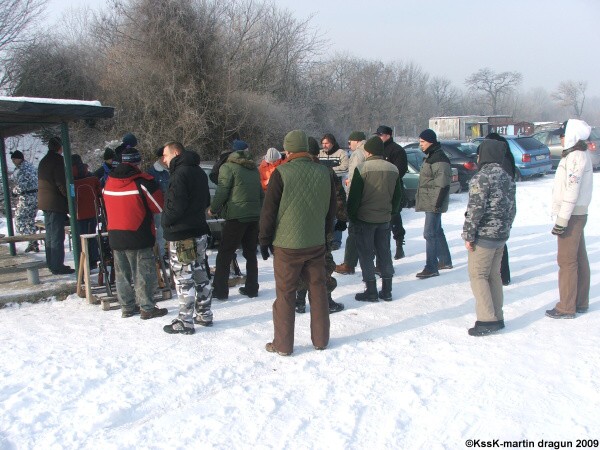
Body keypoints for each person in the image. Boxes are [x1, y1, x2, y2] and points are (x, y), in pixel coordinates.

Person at [259, 130, 336, 356]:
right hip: (316, 243)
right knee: (318, 290)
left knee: (285, 294)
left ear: (288, 150)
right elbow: (331, 210)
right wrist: (325, 234)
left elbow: (269, 211)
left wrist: (264, 239)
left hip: (286, 246)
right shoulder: (325, 173)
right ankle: (321, 340)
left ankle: (283, 345)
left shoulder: (281, 173)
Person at [102, 147, 168, 320]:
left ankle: (127, 307)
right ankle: (147, 307)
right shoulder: (143, 181)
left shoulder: (109, 182)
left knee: (122, 274)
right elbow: (159, 207)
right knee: (143, 272)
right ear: (137, 162)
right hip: (138, 234)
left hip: (115, 234)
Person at [462, 139, 516, 336]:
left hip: (484, 236)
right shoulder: (507, 177)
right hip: (501, 236)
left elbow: (475, 210)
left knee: (478, 276)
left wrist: (468, 235)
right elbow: (513, 208)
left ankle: (486, 319)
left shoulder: (482, 178)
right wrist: (506, 229)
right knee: (494, 276)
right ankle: (497, 316)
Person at [160, 142, 214, 334]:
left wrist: (164, 220)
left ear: (176, 153)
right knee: (200, 272)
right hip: (199, 231)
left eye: (165, 155)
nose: (163, 160)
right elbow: (207, 200)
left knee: (183, 278)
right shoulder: (198, 171)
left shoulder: (180, 174)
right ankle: (205, 313)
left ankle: (185, 321)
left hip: (182, 234)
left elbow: (176, 206)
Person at [546, 119, 593, 319]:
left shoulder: (576, 157)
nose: (561, 138)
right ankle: (580, 301)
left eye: (563, 134)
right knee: (579, 258)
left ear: (572, 135)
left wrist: (562, 220)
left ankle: (566, 306)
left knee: (566, 261)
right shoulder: (577, 155)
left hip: (572, 215)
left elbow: (571, 190)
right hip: (575, 213)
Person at [347, 136, 402, 301]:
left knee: (366, 254)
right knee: (384, 252)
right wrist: (391, 213)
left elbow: (355, 197)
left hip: (365, 218)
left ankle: (371, 290)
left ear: (368, 151)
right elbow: (398, 196)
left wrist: (352, 215)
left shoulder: (362, 168)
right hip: (384, 218)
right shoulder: (393, 169)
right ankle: (387, 290)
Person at [295, 136, 346, 314]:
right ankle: (326, 301)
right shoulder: (327, 171)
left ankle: (299, 301)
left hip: (298, 226)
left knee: (301, 261)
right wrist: (341, 219)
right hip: (322, 225)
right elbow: (338, 197)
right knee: (324, 263)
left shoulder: (292, 171)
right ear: (317, 152)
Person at [208, 140, 263, 300]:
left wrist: (213, 209)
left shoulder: (227, 167)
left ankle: (220, 291)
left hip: (236, 216)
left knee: (225, 253)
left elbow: (222, 191)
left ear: (232, 152)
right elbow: (261, 194)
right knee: (251, 253)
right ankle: (252, 288)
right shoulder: (253, 168)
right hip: (253, 216)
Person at [414, 128, 453, 278]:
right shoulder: (431, 156)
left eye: (422, 142)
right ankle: (445, 260)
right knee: (437, 231)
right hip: (431, 200)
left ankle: (431, 267)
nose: (420, 145)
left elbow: (442, 184)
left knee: (429, 233)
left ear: (431, 141)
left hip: (434, 202)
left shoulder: (438, 158)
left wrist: (436, 204)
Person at [37, 137, 74, 274]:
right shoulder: (57, 160)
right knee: (57, 235)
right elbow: (61, 182)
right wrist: (69, 199)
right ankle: (57, 265)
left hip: (45, 202)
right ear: (60, 147)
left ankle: (51, 262)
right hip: (55, 202)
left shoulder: (44, 160)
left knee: (50, 235)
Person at [485, 132, 515, 286]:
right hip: (503, 206)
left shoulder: (503, 162)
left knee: (499, 243)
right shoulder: (505, 159)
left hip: (500, 207)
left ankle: (502, 275)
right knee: (499, 242)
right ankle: (502, 274)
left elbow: (504, 186)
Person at [335, 131, 367, 275]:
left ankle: (349, 263)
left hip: (357, 197)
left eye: (350, 142)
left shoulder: (357, 154)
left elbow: (355, 176)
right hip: (368, 198)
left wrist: (349, 192)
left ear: (356, 141)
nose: (349, 145)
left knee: (353, 231)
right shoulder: (369, 151)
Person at [376, 125, 408, 260]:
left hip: (394, 189)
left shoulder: (397, 150)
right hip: (378, 190)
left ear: (388, 135)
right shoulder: (377, 150)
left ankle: (399, 243)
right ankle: (383, 253)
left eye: (381, 135)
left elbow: (400, 170)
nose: (378, 137)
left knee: (394, 217)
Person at [319, 133, 348, 250]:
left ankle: (336, 240)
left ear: (332, 143)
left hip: (337, 188)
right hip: (322, 188)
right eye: (323, 143)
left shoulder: (341, 153)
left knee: (337, 212)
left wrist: (328, 170)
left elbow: (345, 168)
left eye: (327, 143)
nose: (324, 145)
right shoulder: (319, 154)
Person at [72, 154, 101, 270]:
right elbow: (99, 191)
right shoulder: (91, 177)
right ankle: (94, 259)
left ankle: (82, 260)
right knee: (92, 235)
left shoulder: (71, 179)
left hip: (79, 213)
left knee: (80, 238)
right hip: (92, 210)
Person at [10, 150, 38, 252]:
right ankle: (33, 242)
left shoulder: (22, 169)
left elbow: (22, 186)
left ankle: (32, 239)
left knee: (19, 220)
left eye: (14, 159)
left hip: (26, 198)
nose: (13, 161)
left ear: (19, 158)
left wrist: (14, 191)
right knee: (30, 221)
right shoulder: (30, 166)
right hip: (36, 197)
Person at [146, 146, 170, 259]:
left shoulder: (172, 169)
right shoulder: (152, 173)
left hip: (172, 207)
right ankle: (161, 256)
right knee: (160, 233)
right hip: (159, 208)